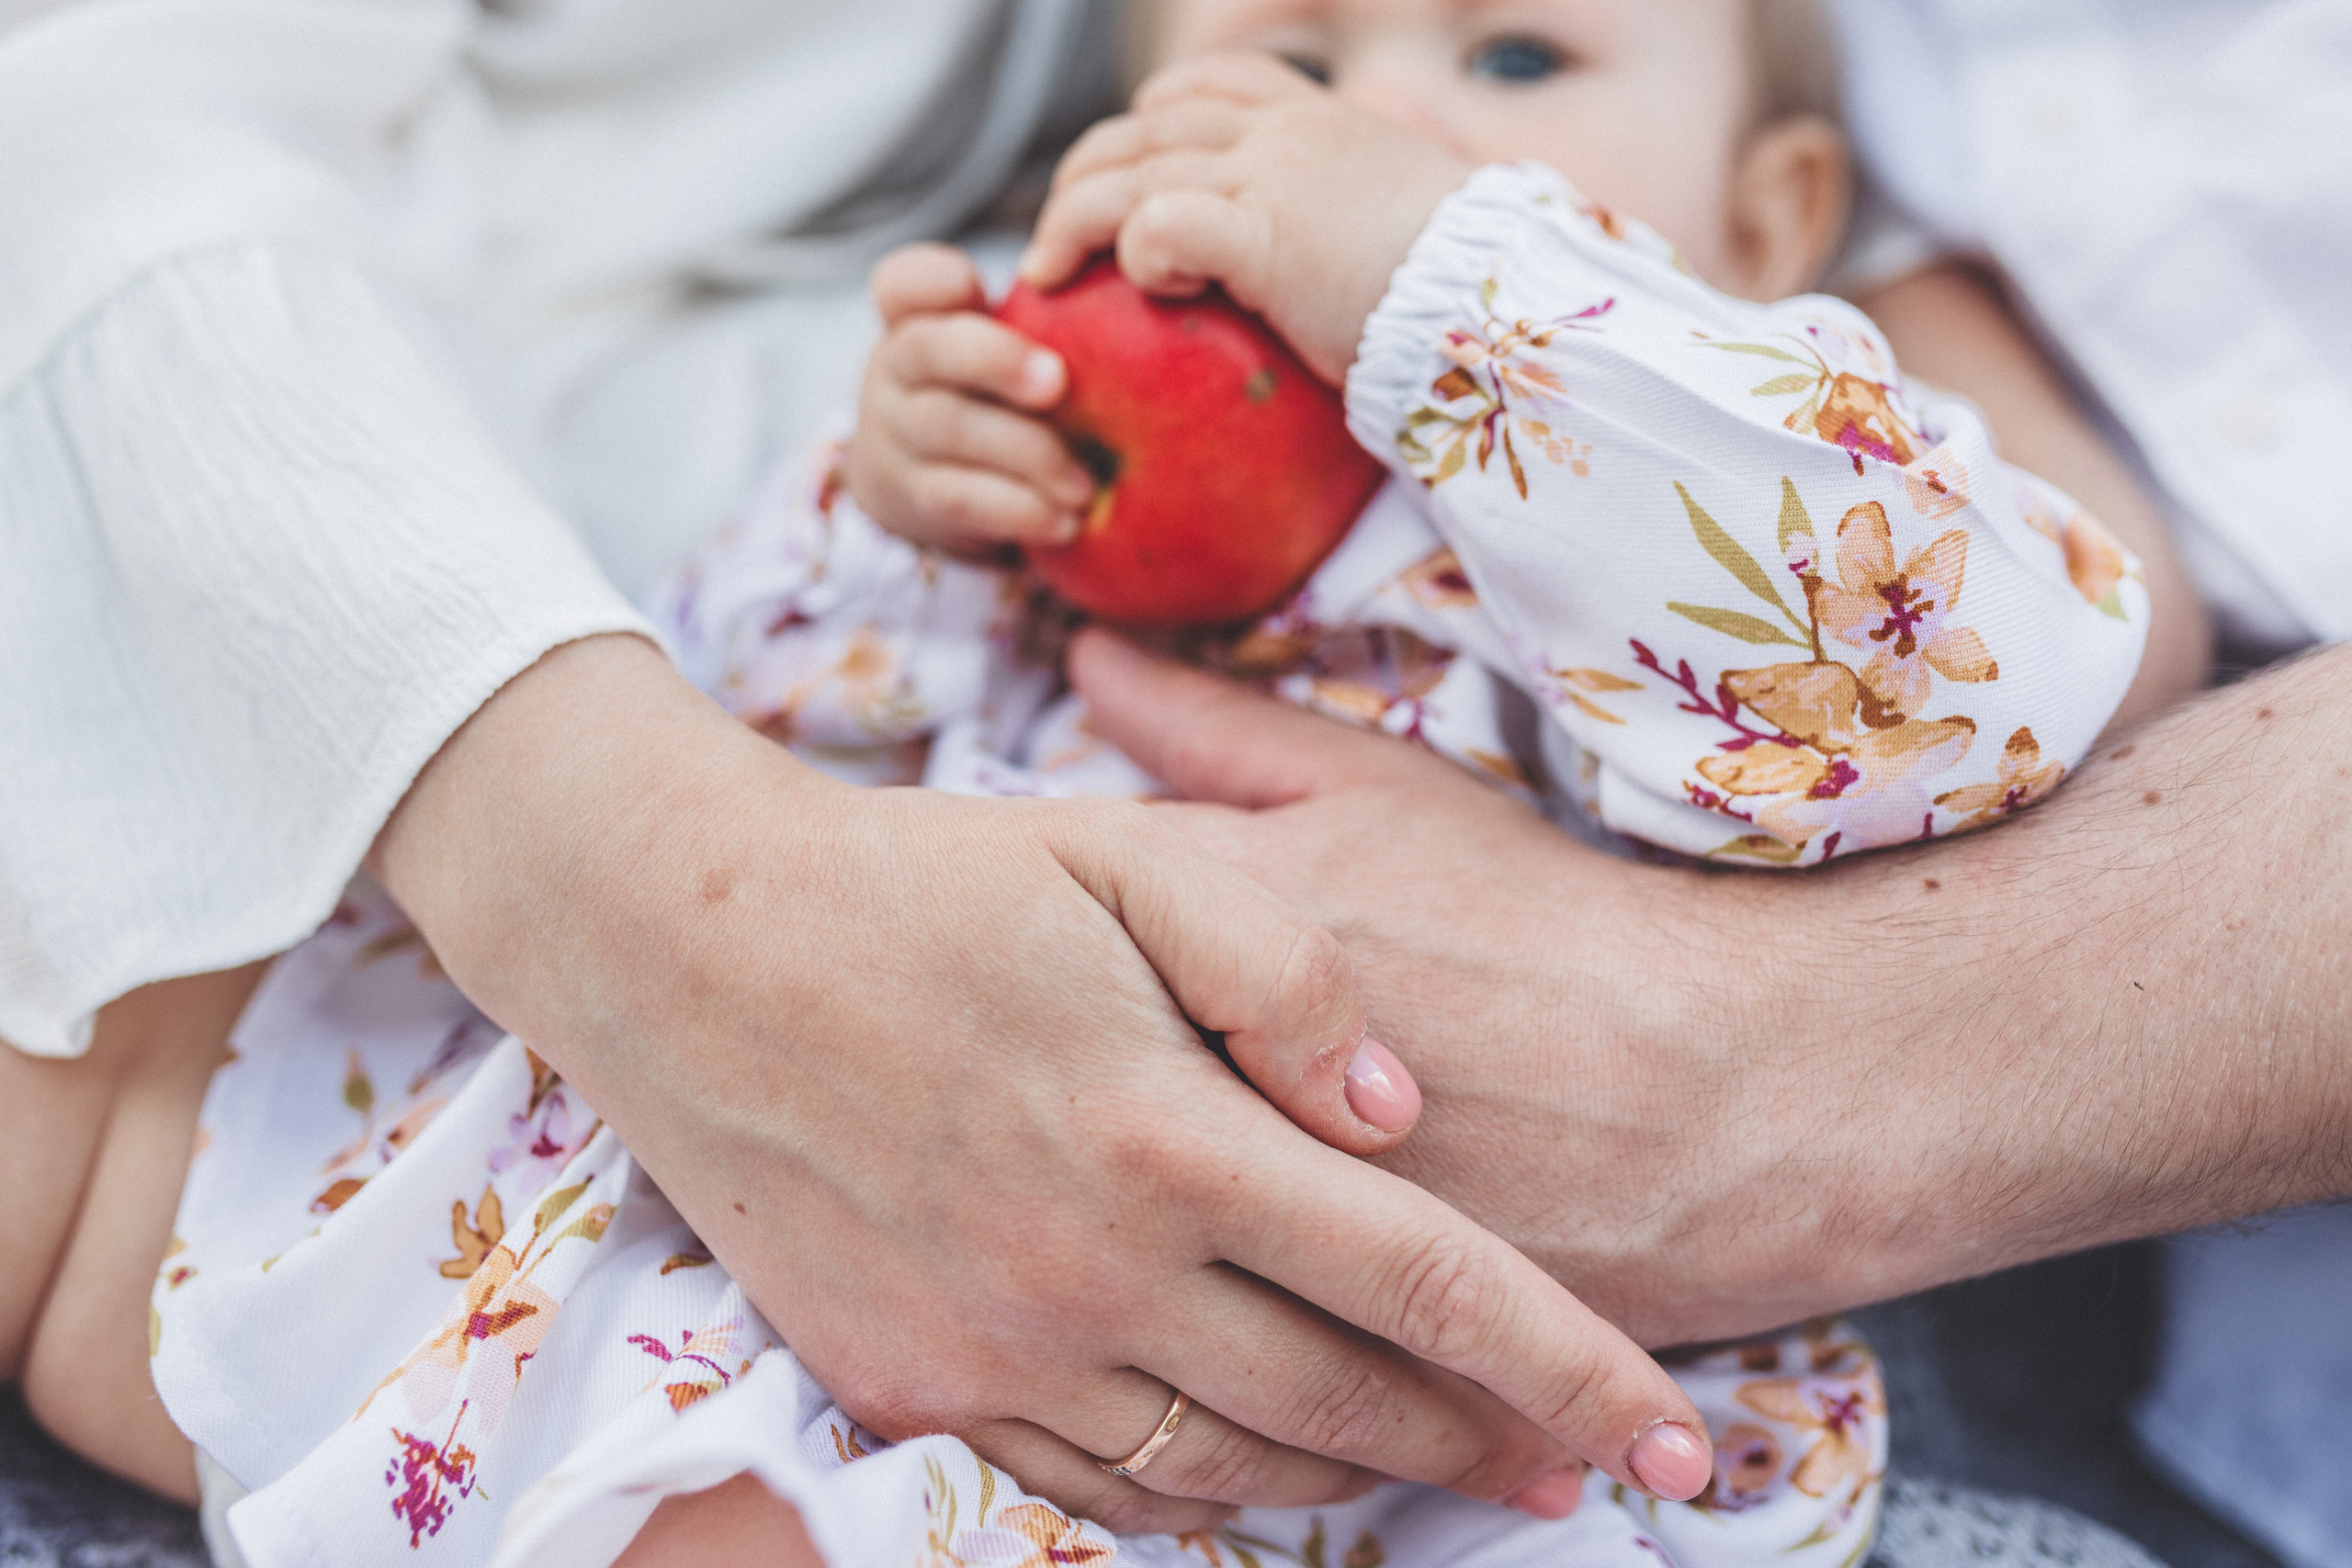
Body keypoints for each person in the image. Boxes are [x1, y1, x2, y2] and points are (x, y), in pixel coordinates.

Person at [0, 0, 1709, 1558]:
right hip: (690, 1101)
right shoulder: (1079, 394)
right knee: (106, 1105)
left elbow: (1934, 707)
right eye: (1293, 73)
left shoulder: (1772, 513)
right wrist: (904, 504)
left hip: (1190, 1337)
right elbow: (770, 664)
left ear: (1784, 210)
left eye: (1516, 60)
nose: (1376, 123)